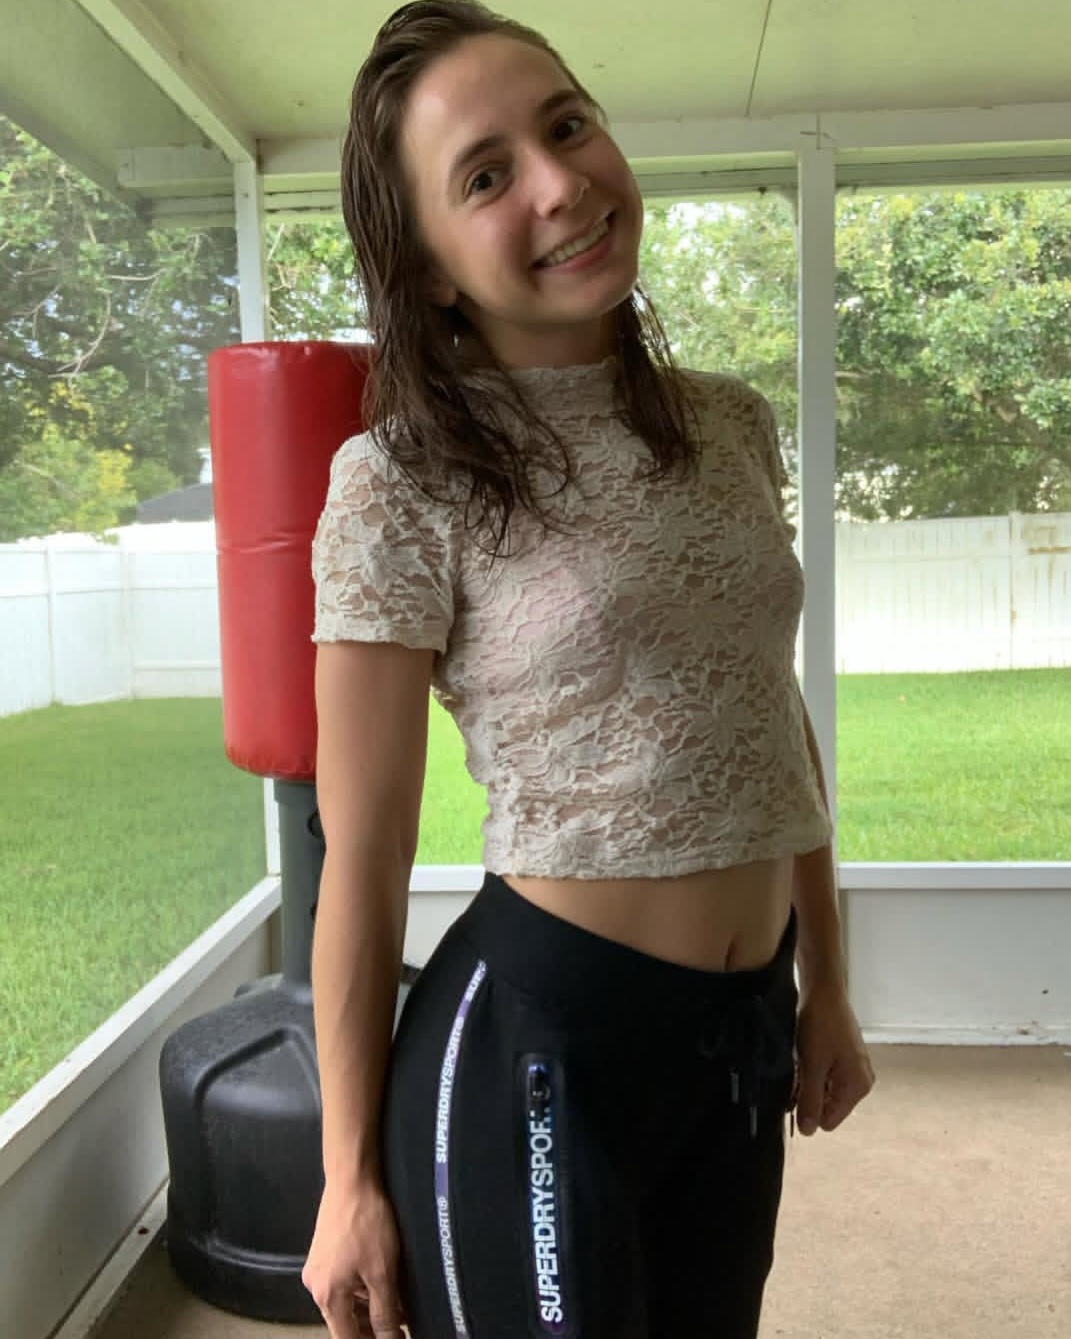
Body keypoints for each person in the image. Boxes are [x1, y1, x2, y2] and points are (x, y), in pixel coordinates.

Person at [302, 3, 874, 1337]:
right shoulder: (397, 481)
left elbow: (766, 709)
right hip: (543, 1039)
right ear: (427, 267)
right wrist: (345, 1177)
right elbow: (365, 849)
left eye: (568, 126)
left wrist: (828, 987)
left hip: (740, 1024)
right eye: (485, 176)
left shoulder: (731, 426)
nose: (560, 185)